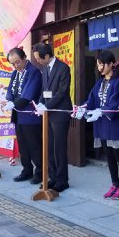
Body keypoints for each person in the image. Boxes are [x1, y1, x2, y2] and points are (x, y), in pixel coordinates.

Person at [73, 50, 119, 200]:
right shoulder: (99, 82)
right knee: (109, 156)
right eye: (97, 64)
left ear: (111, 64)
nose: (99, 67)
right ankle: (114, 184)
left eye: (101, 64)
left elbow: (117, 103)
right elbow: (91, 99)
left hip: (115, 124)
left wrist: (102, 110)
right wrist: (83, 108)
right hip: (102, 124)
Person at [33, 42, 72, 193]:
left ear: (47, 56)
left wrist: (46, 106)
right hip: (48, 113)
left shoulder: (63, 68)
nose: (38, 61)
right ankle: (53, 177)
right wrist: (40, 105)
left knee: (59, 148)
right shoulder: (44, 68)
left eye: (39, 58)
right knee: (48, 147)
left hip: (60, 113)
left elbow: (62, 92)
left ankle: (62, 181)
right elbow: (44, 91)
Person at [4, 48, 42, 185]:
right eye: (12, 64)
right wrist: (9, 100)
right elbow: (10, 90)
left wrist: (13, 104)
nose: (15, 66)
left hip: (31, 116)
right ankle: (26, 170)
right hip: (18, 115)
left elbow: (28, 94)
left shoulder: (34, 72)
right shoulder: (15, 73)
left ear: (25, 57)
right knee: (23, 146)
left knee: (35, 146)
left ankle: (40, 172)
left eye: (18, 62)